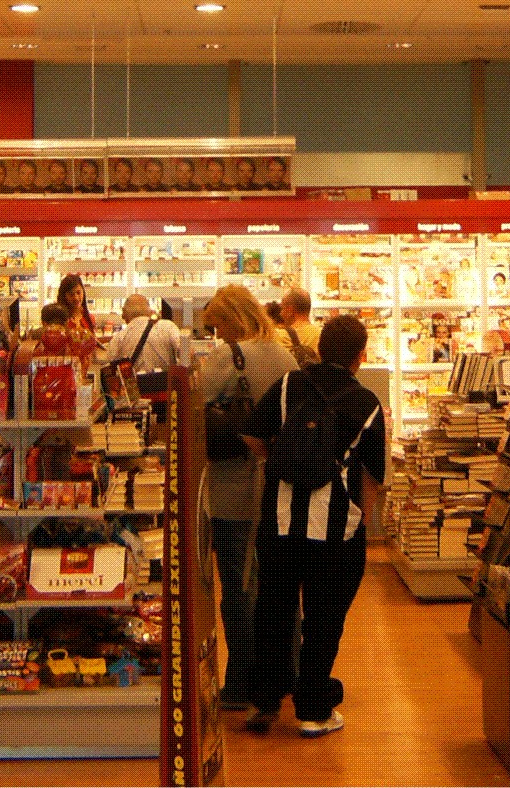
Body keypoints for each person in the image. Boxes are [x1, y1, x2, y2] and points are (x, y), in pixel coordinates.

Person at [241, 313, 385, 737]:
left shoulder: (289, 385)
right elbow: (373, 477)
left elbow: (252, 436)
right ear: (360, 356)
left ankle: (265, 701)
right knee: (324, 618)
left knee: (273, 610)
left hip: (280, 520)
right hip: (335, 528)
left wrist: (283, 462)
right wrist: (361, 519)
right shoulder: (367, 403)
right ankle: (313, 710)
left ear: (320, 349)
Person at [197, 286, 298, 711]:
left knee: (238, 589)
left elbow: (194, 405)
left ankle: (241, 684)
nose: (217, 334)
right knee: (278, 586)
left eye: (218, 325)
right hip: (279, 486)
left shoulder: (229, 356)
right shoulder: (285, 355)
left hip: (233, 486)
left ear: (233, 320)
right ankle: (285, 673)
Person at [103, 293, 184, 374]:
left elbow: (110, 367)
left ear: (124, 314)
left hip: (134, 382)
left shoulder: (119, 338)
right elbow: (184, 352)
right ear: (150, 311)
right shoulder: (167, 327)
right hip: (164, 381)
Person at [56, 273, 98, 362]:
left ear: (83, 292)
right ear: (64, 296)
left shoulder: (90, 318)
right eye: (71, 294)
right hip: (65, 365)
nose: (76, 298)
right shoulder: (59, 319)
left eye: (78, 293)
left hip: (86, 365)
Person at [276, 289, 322, 362]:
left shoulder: (280, 336)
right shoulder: (322, 335)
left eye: (282, 308)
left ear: (290, 310)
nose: (281, 313)